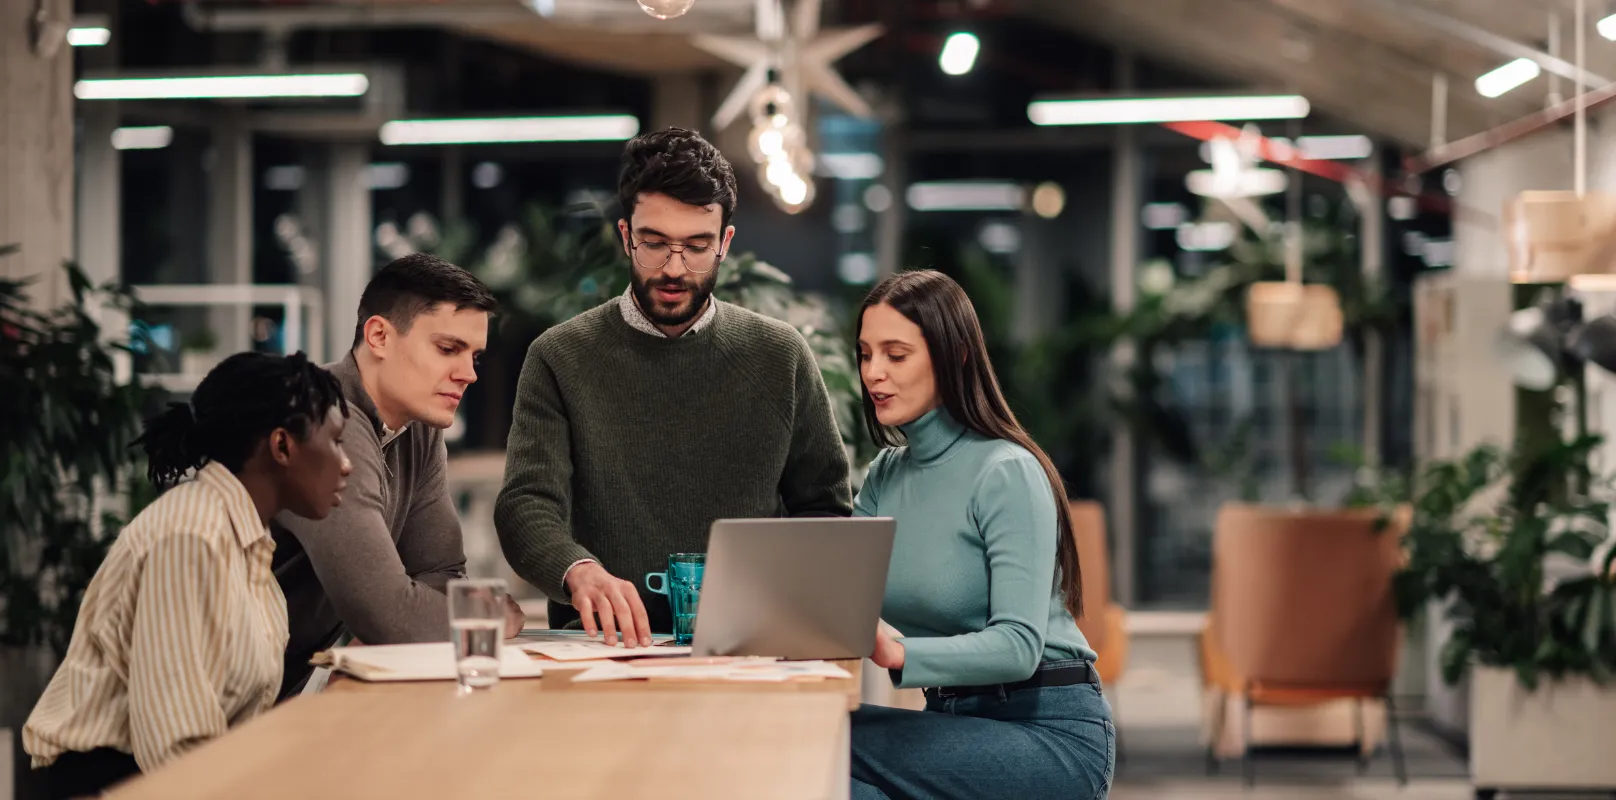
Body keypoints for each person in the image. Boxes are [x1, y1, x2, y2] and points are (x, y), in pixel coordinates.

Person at [495, 126, 852, 647]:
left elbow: (824, 509)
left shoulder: (780, 356)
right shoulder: (560, 357)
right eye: (655, 244)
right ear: (625, 236)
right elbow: (527, 503)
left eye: (697, 246)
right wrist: (578, 571)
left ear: (725, 243)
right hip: (604, 650)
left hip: (750, 646)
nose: (674, 268)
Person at [24, 352, 352, 799]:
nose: (347, 463)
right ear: (282, 446)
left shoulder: (244, 539)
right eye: (335, 441)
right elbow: (178, 749)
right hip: (114, 785)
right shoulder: (191, 536)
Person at [847, 270, 1115, 800]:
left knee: (828, 738)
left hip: (1047, 733)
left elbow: (1018, 645)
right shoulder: (885, 475)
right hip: (951, 724)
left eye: (896, 356)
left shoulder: (1006, 471)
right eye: (864, 354)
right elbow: (842, 595)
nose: (874, 373)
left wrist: (899, 652)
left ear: (957, 356)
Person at [271, 253, 522, 699]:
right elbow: (387, 613)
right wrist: (490, 618)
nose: (468, 375)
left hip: (274, 695)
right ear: (380, 336)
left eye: (474, 356)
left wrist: (418, 614)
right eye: (448, 349)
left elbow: (441, 574)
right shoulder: (325, 423)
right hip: (190, 718)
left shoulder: (418, 428)